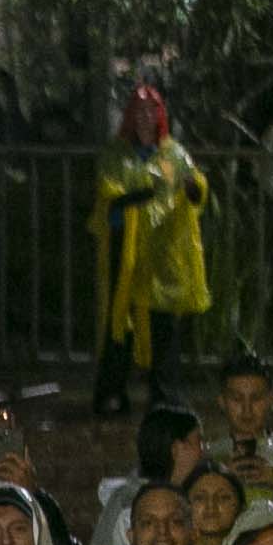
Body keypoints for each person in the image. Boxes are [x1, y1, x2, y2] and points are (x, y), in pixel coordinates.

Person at [93, 85, 209, 416]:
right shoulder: (118, 154)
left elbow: (192, 186)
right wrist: (143, 193)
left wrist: (192, 187)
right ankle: (112, 392)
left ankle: (166, 396)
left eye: (152, 110)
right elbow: (109, 191)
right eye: (140, 110)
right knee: (121, 322)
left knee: (163, 325)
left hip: (162, 253)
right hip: (125, 251)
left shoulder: (171, 155)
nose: (146, 117)